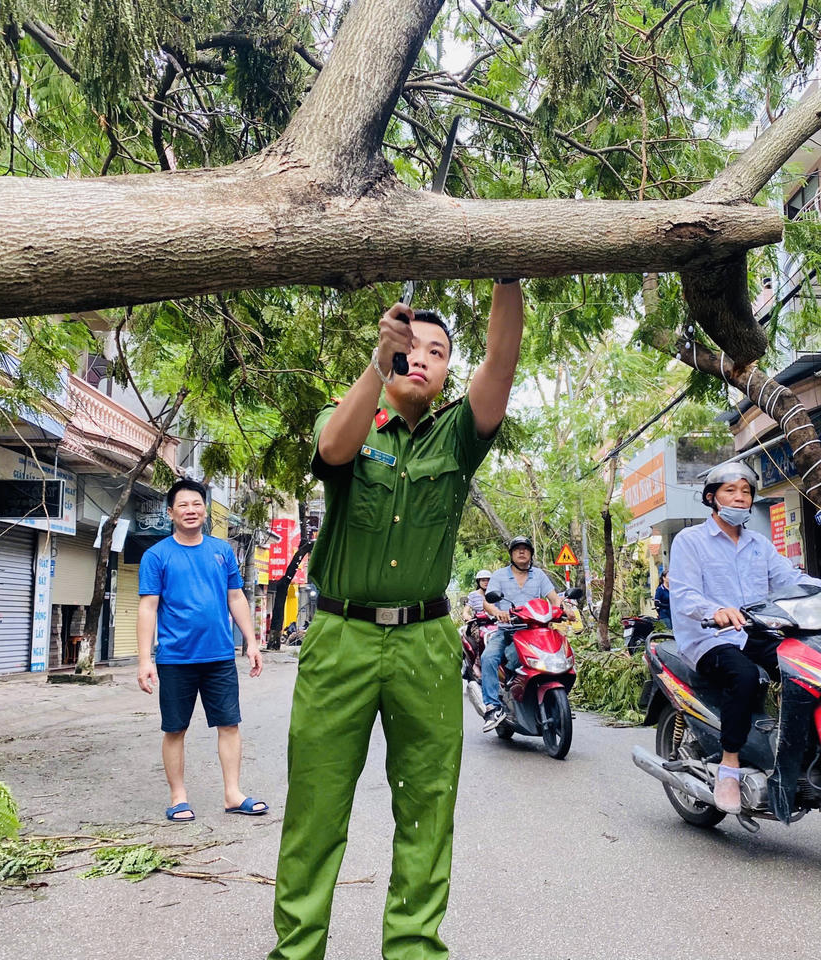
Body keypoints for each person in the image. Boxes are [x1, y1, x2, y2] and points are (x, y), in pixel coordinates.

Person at [269, 280, 524, 960]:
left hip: (425, 640)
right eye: (412, 346)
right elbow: (332, 449)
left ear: (446, 373)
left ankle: (413, 948)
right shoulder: (355, 413)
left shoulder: (459, 437)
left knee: (427, 806)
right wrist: (377, 364)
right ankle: (297, 951)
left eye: (437, 352)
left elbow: (500, 364)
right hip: (342, 637)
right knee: (316, 807)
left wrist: (507, 271)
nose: (423, 357)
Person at [667, 462, 821, 814]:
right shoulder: (690, 541)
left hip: (756, 630)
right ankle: (729, 766)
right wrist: (714, 611)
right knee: (744, 676)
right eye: (730, 491)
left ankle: (800, 749)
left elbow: (790, 579)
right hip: (710, 637)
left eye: (746, 492)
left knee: (810, 665)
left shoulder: (759, 544)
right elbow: (683, 594)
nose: (740, 498)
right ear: (712, 498)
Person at [136, 477, 267, 823]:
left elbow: (236, 597)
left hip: (220, 656)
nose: (190, 510)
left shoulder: (222, 551)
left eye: (196, 504)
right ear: (170, 513)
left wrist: (251, 642)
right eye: (183, 505)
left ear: (205, 510)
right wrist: (144, 659)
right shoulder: (156, 556)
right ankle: (179, 798)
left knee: (229, 724)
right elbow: (148, 607)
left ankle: (232, 794)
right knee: (175, 728)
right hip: (175, 658)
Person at [481, 536, 561, 731]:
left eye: (526, 549)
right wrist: (497, 612)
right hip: (507, 631)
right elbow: (487, 602)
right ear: (511, 554)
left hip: (534, 632)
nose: (522, 552)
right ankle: (492, 707)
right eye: (517, 549)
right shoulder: (500, 576)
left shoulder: (539, 575)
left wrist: (561, 609)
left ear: (531, 554)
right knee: (488, 657)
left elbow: (554, 598)